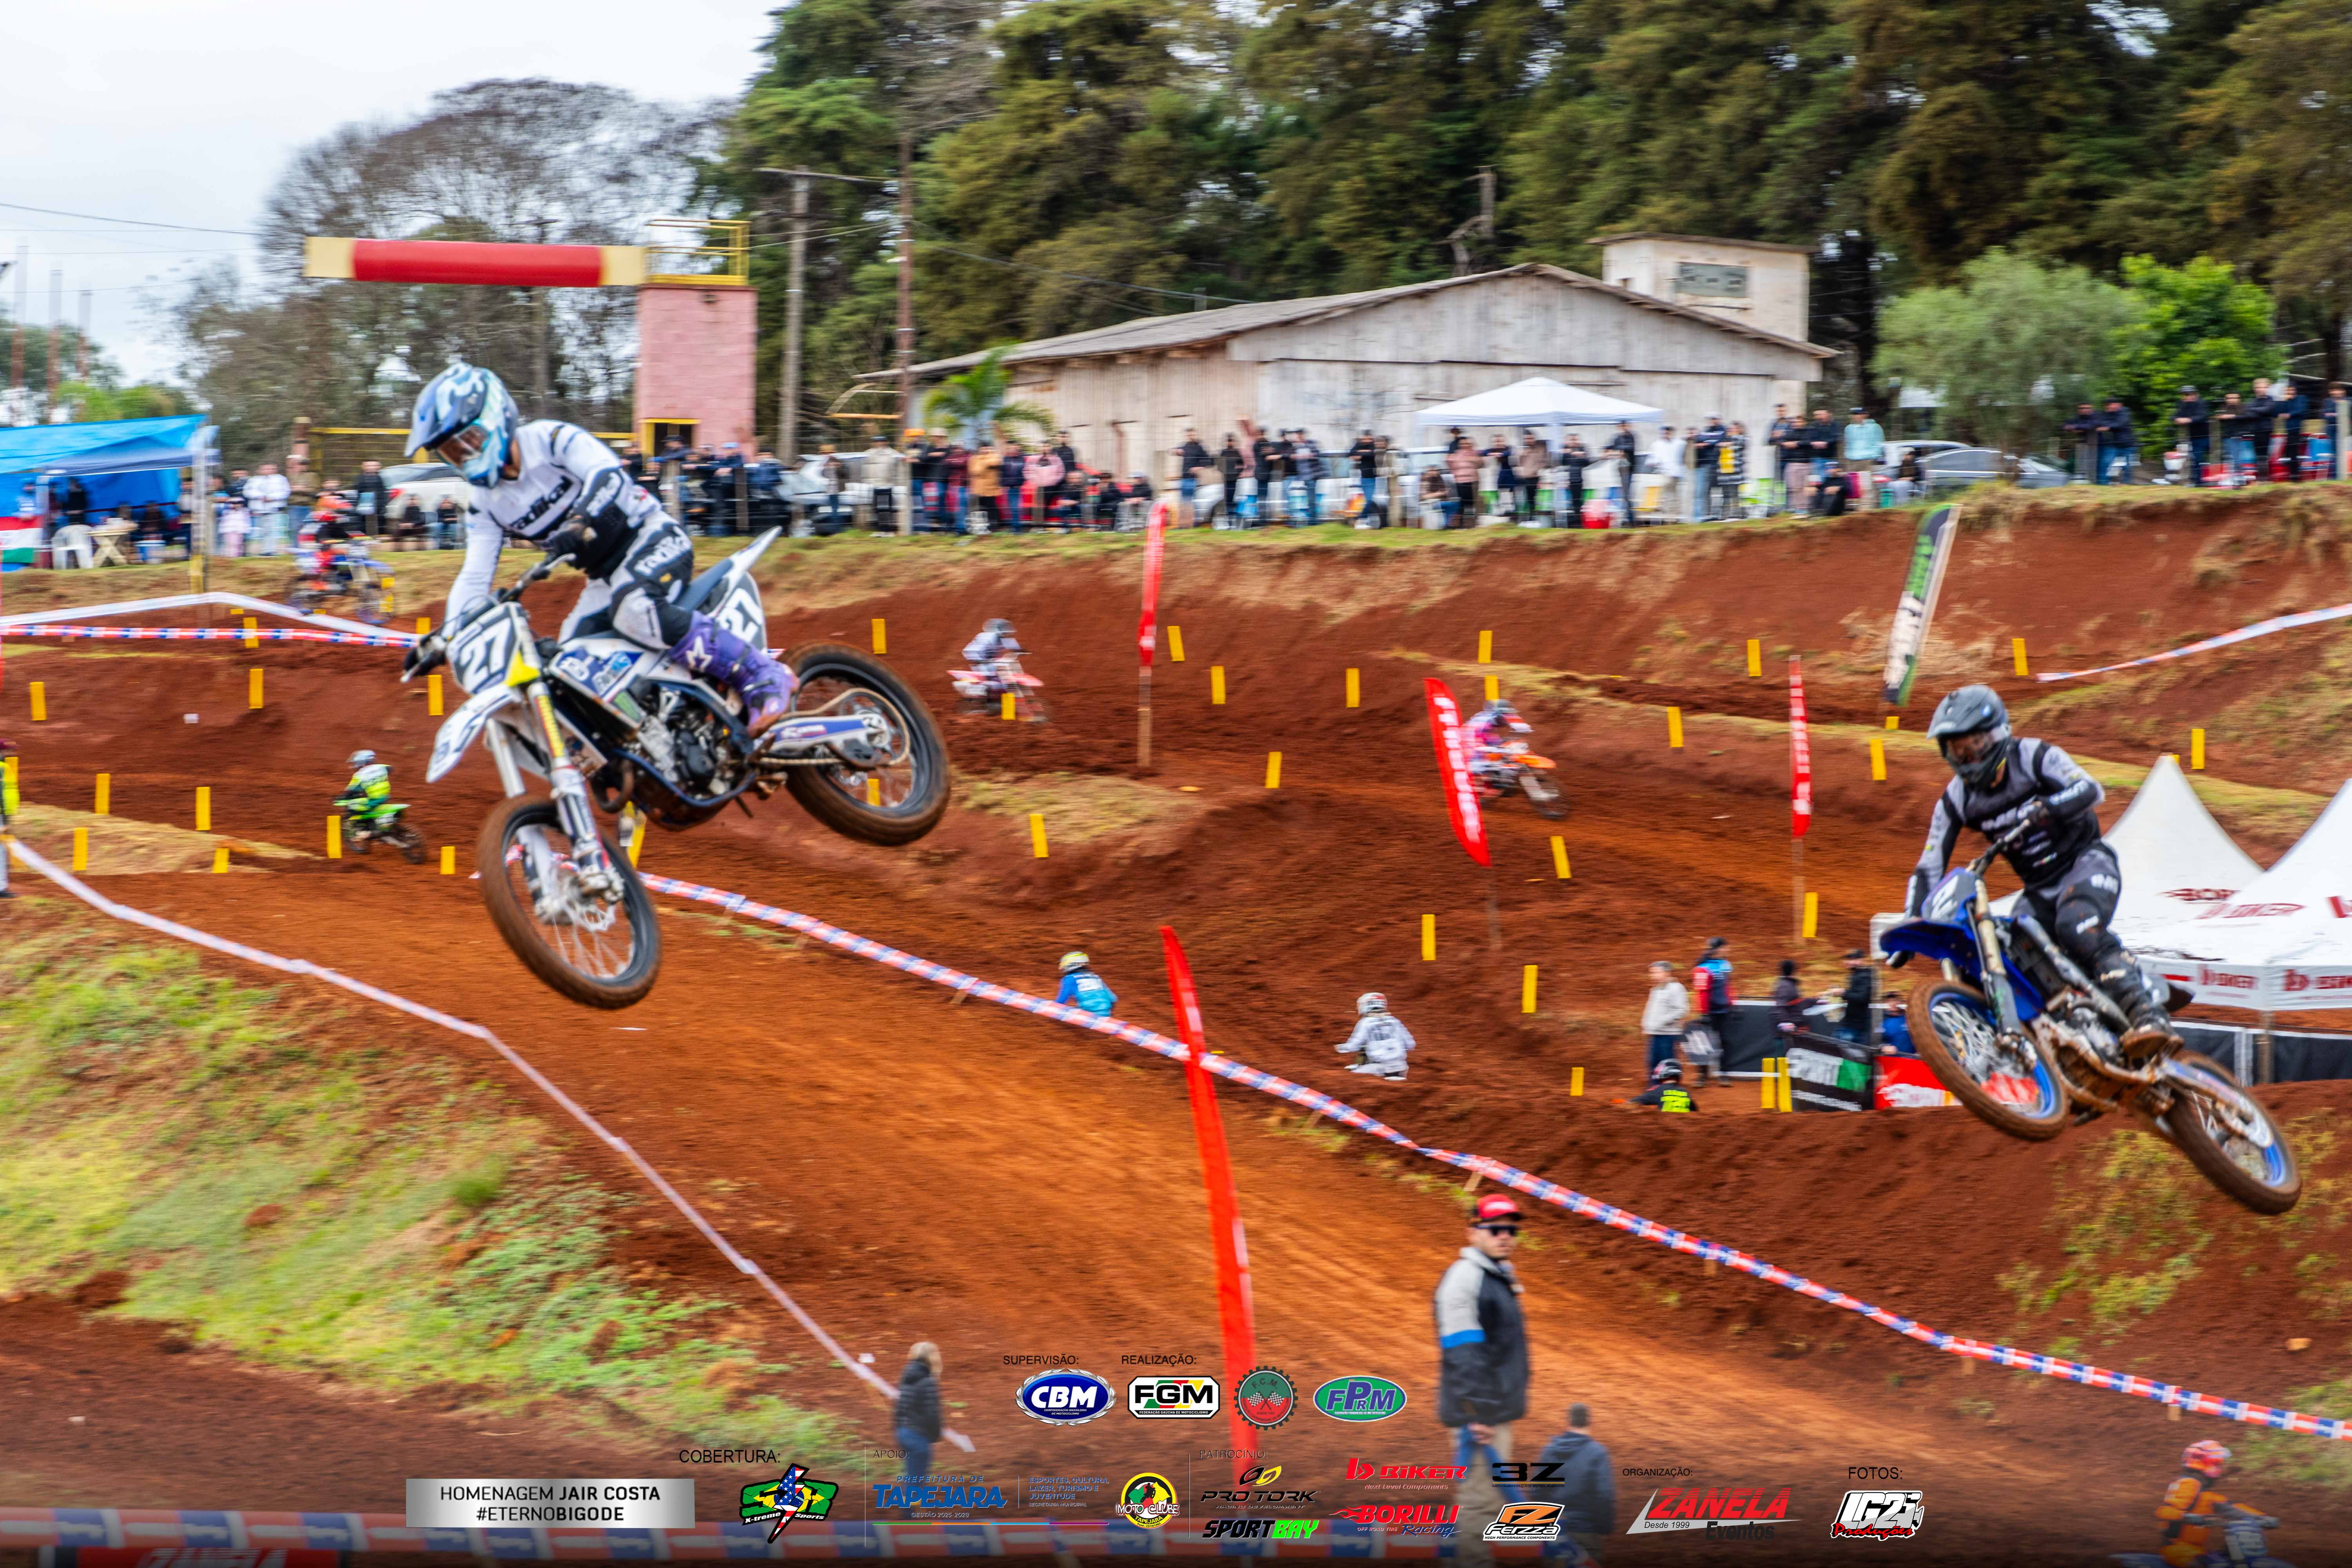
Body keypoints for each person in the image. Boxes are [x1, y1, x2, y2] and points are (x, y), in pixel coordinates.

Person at [402, 361, 796, 735]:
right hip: (604, 576)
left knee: (635, 609)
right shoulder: (484, 503)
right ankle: (648, 742)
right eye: (452, 451)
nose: (465, 456)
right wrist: (446, 637)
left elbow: (609, 475)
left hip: (650, 535)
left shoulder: (550, 440)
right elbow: (474, 575)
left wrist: (581, 519)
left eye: (468, 441)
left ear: (494, 416)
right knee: (570, 665)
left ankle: (762, 672)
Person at [1908, 684, 2176, 1053]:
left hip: (2086, 862)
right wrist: (1912, 922)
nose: (1968, 758)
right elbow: (1928, 866)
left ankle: (2147, 1014)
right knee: (2011, 951)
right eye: (1958, 750)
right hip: (2038, 891)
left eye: (1974, 745)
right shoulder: (1956, 799)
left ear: (1997, 734)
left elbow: (2090, 789)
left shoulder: (2034, 757)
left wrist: (2050, 806)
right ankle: (2063, 1036)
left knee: (2076, 925)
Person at [1436, 1192, 1530, 1568]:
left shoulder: (1498, 1275)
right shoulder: (1467, 1279)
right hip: (1478, 1416)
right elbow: (1464, 1353)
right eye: (1495, 1229)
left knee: (1489, 1502)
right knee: (1479, 1503)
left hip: (1493, 1412)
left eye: (1511, 1229)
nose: (1505, 1236)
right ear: (1473, 1232)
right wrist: (1479, 1413)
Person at [1531, 1404, 1613, 1560]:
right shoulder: (1597, 1453)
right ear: (1590, 1421)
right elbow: (1604, 1495)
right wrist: (1604, 1528)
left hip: (1555, 1533)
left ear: (1569, 1421)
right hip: (1585, 1532)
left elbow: (1537, 1490)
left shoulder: (1550, 1451)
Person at [2154, 1440, 2243, 1568]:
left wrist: (2261, 1518)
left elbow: (2231, 1508)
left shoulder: (2206, 1493)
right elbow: (2164, 1512)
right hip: (2176, 1550)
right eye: (2216, 1464)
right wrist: (2187, 1517)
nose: (2219, 1468)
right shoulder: (2188, 1484)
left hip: (2198, 1551)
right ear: (2201, 1463)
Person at [894, 1341, 945, 1487]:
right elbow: (932, 1414)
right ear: (931, 1358)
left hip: (904, 1433)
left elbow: (899, 1408)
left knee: (911, 1478)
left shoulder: (907, 1377)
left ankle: (908, 1502)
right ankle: (912, 1503)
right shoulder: (928, 1381)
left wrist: (898, 1430)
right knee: (917, 1482)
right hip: (918, 1436)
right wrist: (935, 1435)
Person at [1334, 991, 1416, 1081]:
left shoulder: (1365, 1022)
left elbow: (1354, 1046)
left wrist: (1340, 1048)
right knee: (1366, 1048)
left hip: (1379, 1069)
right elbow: (1411, 1045)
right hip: (1402, 1067)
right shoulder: (1395, 1021)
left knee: (1349, 1077)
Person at [1689, 937, 1733, 1083]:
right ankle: (1702, 1076)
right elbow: (1702, 992)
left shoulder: (1726, 965)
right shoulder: (1703, 968)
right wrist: (1704, 1012)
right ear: (1719, 949)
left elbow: (1728, 987)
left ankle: (1724, 1074)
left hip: (1723, 1011)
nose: (1728, 950)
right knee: (1704, 1044)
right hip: (1709, 1012)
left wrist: (1732, 1004)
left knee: (1725, 1042)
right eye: (1726, 947)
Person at [1464, 698, 1533, 789]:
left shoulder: (1496, 717)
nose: (1507, 718)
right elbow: (1477, 742)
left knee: (1505, 749)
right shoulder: (1483, 722)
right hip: (1471, 743)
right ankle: (1481, 783)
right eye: (1505, 715)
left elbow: (1519, 724)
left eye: (1508, 714)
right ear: (1498, 713)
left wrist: (1522, 729)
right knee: (1484, 760)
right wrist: (1499, 750)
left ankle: (1498, 778)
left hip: (1483, 739)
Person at [334, 749, 399, 838]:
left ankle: (366, 831)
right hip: (385, 797)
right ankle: (377, 824)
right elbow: (391, 768)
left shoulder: (359, 775)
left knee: (351, 806)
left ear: (361, 762)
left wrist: (341, 797)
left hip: (373, 800)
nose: (355, 766)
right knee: (366, 804)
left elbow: (350, 791)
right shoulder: (382, 767)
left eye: (355, 763)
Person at [1639, 960, 1688, 1080]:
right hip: (1655, 1033)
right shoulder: (1656, 989)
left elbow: (1681, 1010)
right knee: (1653, 1063)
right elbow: (1651, 1009)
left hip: (1668, 1034)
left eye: (1656, 972)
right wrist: (1646, 1024)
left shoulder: (1676, 988)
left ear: (1667, 973)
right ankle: (1654, 1087)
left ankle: (1669, 1088)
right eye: (1652, 973)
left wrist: (1660, 1022)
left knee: (1667, 1065)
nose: (1653, 976)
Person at [245, 462, 291, 554]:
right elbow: (247, 492)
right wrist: (261, 496)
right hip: (258, 509)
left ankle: (269, 550)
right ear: (260, 470)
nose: (268, 471)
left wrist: (272, 498)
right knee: (260, 531)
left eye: (270, 469)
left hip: (273, 508)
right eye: (265, 469)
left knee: (271, 530)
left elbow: (286, 492)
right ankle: (261, 550)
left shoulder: (281, 479)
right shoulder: (254, 480)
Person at [1054, 951, 1117, 1016]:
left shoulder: (1070, 978)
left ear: (1072, 964)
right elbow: (1113, 999)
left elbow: (1061, 1001)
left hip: (1087, 1014)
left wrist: (1052, 1007)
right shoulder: (1096, 977)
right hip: (1106, 1014)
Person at [2170, 386, 2211, 485]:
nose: (2187, 397)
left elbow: (2203, 416)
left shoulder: (2202, 403)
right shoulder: (2182, 404)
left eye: (2189, 394)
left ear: (2196, 394)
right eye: (2185, 395)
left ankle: (2201, 481)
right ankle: (2196, 482)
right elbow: (2175, 415)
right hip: (2190, 437)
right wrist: (2177, 419)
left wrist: (2188, 420)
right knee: (2193, 459)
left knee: (2200, 458)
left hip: (2204, 436)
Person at [1627, 1058, 1699, 1112]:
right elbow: (1695, 1109)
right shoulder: (1685, 1092)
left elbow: (1634, 1102)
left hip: (1667, 1125)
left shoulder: (1657, 1090)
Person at [1838, 949, 1877, 1047]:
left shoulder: (1866, 975)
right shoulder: (1856, 975)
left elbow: (1862, 997)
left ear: (1861, 960)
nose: (1848, 962)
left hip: (1857, 1024)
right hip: (1851, 1022)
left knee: (1846, 1051)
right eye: (1848, 959)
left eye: (1852, 959)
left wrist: (1843, 993)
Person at [2098, 397, 2137, 485]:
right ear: (2107, 406)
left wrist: (2108, 427)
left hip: (2127, 445)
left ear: (2119, 405)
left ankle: (2127, 484)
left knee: (2127, 467)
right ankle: (2103, 484)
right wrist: (2109, 425)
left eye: (2115, 405)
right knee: (2106, 464)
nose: (2114, 407)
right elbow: (2100, 423)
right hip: (2112, 445)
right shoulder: (2106, 414)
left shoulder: (2125, 412)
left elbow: (2120, 424)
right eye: (2111, 405)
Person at [1176, 428, 1212, 522]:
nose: (1190, 437)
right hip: (1184, 478)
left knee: (1194, 501)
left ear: (1195, 435)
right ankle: (1184, 523)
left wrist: (1199, 468)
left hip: (1194, 479)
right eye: (1189, 435)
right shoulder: (1185, 446)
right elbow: (1172, 451)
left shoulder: (1200, 447)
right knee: (1183, 501)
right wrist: (1176, 451)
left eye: (1192, 435)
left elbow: (1210, 461)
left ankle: (1196, 521)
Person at [1445, 436, 1481, 527]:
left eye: (1467, 443)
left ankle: (1471, 522)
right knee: (1463, 502)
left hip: (1473, 481)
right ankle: (1460, 523)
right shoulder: (1456, 454)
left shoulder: (1473, 453)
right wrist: (1450, 460)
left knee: (1472, 502)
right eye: (1463, 444)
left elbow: (1481, 464)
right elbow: (1451, 465)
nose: (1465, 445)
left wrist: (1474, 459)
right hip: (1460, 482)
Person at [1770, 957, 1806, 1040]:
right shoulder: (1786, 985)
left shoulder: (1787, 984)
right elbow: (1781, 1006)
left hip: (1792, 1028)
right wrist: (1787, 1026)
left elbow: (1794, 1003)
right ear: (1793, 971)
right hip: (1787, 1032)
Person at [1214, 435, 1246, 526]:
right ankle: (1227, 519)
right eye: (1229, 441)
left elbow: (1242, 464)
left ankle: (1231, 519)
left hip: (1234, 479)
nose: (1230, 443)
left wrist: (1237, 473)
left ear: (1233, 442)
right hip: (1226, 479)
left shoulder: (1236, 452)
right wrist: (1224, 472)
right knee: (1227, 499)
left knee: (1232, 498)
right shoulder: (1224, 452)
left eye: (1231, 441)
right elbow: (1219, 466)